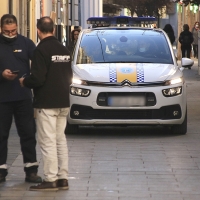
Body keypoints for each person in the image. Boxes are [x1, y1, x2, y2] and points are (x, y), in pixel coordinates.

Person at [19, 16, 72, 191]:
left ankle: (50, 179)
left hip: (47, 103)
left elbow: (38, 78)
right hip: (63, 101)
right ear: (54, 30)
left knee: (47, 141)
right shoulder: (64, 49)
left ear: (38, 30)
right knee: (60, 140)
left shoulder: (41, 50)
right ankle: (63, 177)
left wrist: (25, 81)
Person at [0, 14, 42, 183]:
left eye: (13, 31)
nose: (10, 34)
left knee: (28, 133)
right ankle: (1, 170)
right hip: (2, 98)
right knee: (1, 134)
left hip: (23, 97)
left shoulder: (26, 43)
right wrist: (1, 74)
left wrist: (32, 80)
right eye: (6, 31)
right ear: (1, 29)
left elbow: (39, 63)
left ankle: (31, 170)